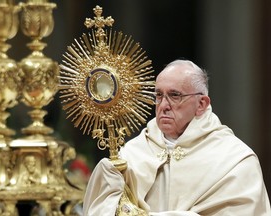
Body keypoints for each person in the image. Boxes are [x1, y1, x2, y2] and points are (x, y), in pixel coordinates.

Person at [83, 59, 271, 215]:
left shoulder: (235, 160)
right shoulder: (131, 154)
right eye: (158, 95)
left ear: (201, 104)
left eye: (174, 96)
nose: (164, 105)